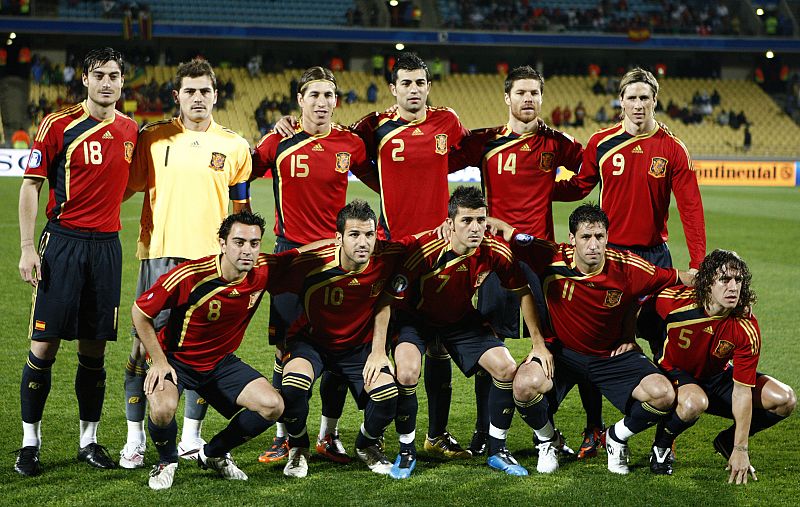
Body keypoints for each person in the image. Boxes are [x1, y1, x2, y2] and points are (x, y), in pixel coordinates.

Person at [275, 52, 472, 460]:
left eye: (421, 83)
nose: (414, 90)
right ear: (393, 88)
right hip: (391, 254)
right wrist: (290, 125)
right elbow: (344, 145)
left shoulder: (448, 122)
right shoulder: (374, 127)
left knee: (435, 346)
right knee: (353, 339)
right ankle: (334, 434)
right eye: (407, 83)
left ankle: (435, 433)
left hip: (437, 253)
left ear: (428, 87)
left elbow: (474, 151)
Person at [448, 65, 604, 459]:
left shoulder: (555, 143)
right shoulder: (485, 142)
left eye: (535, 92)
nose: (528, 99)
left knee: (554, 345)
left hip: (542, 262)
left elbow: (588, 173)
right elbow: (441, 160)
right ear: (508, 98)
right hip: (495, 260)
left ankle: (548, 431)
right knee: (491, 346)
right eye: (521, 92)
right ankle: (485, 433)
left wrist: (552, 189)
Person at [492, 203, 694, 475]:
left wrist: (736, 298)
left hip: (609, 356)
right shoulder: (550, 256)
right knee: (524, 385)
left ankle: (616, 437)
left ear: (607, 238)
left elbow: (681, 278)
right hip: (561, 352)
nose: (593, 245)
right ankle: (547, 439)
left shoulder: (628, 267)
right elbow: (505, 232)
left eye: (599, 237)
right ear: (572, 239)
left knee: (664, 394)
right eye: (586, 237)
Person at [121, 58, 253, 469]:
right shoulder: (153, 139)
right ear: (177, 96)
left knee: (204, 351)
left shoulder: (234, 146)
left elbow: (242, 210)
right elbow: (124, 188)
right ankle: (135, 438)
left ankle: (192, 439)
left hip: (210, 264)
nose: (198, 98)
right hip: (159, 255)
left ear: (216, 95)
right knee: (142, 350)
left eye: (205, 91)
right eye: (190, 91)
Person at [15, 47, 138, 477]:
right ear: (84, 78)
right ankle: (30, 442)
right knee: (43, 347)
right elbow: (31, 185)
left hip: (106, 248)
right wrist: (28, 247)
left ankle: (89, 440)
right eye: (99, 74)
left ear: (123, 82)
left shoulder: (130, 129)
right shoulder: (58, 126)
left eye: (115, 75)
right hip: (62, 244)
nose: (107, 82)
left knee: (94, 349)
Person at [376, 186, 548, 478]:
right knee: (406, 373)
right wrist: (378, 352)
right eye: (467, 220)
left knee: (506, 368)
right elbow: (388, 300)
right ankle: (406, 451)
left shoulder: (494, 250)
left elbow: (523, 292)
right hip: (415, 320)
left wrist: (538, 343)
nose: (475, 227)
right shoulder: (424, 250)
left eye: (481, 220)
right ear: (449, 224)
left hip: (459, 319)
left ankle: (497, 450)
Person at [251, 67, 373, 465]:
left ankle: (328, 434)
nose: (322, 103)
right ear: (300, 101)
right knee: (286, 351)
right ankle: (284, 435)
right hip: (292, 258)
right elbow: (242, 172)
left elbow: (383, 174)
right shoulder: (279, 141)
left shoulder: (350, 144)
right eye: (314, 95)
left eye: (328, 95)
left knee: (338, 343)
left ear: (336, 101)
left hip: (336, 262)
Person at [132, 211, 290, 490]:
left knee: (272, 406)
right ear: (222, 243)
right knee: (162, 408)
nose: (247, 250)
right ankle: (167, 461)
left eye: (254, 244)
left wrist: (344, 246)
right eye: (239, 242)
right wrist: (157, 361)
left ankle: (213, 453)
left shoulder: (263, 269)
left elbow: (304, 254)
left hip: (220, 363)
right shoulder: (190, 276)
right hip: (176, 361)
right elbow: (140, 311)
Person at [554, 67, 706, 355]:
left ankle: (669, 388)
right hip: (611, 254)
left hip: (655, 254)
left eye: (645, 98)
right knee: (607, 332)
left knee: (661, 328)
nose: (639, 105)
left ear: (655, 101)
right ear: (621, 101)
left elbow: (691, 208)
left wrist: (697, 261)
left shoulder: (673, 149)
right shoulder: (601, 143)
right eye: (632, 98)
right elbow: (580, 186)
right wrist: (539, 187)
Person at [279, 200, 407, 478]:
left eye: (369, 234)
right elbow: (272, 277)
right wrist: (281, 347)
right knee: (293, 385)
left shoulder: (387, 256)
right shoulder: (311, 263)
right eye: (354, 235)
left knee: (388, 394)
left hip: (357, 345)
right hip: (312, 343)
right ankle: (298, 447)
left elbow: (423, 242)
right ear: (338, 238)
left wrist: (378, 351)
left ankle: (366, 444)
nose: (363, 242)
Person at [647, 250, 796, 479]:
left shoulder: (745, 325)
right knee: (694, 403)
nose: (733, 287)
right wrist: (627, 342)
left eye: (738, 280)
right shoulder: (675, 301)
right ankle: (662, 445)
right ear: (707, 283)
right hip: (676, 372)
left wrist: (740, 448)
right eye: (725, 280)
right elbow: (636, 309)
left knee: (784, 399)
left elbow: (742, 390)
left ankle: (727, 440)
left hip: (716, 377)